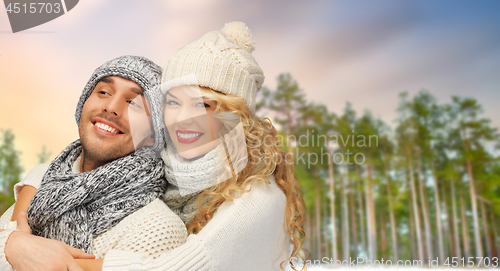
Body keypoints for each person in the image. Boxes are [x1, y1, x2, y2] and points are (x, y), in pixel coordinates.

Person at [77, 21, 307, 271]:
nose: (181, 119)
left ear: (234, 117)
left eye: (202, 105)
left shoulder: (259, 198)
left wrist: (46, 257)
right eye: (173, 103)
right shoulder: (163, 169)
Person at [0, 55, 187, 271]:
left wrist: (13, 245)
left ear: (154, 135)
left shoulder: (158, 229)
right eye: (104, 92)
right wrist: (11, 245)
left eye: (134, 104)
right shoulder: (44, 178)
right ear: (83, 105)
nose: (111, 107)